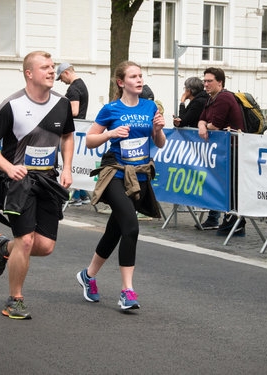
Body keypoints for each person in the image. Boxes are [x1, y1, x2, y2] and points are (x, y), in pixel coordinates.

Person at [0, 51, 75, 319]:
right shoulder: (12, 105)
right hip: (19, 183)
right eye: (44, 67)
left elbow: (67, 136)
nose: (51, 71)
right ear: (29, 73)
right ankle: (15, 299)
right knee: (25, 240)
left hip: (48, 181)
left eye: (52, 66)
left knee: (45, 246)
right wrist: (8, 167)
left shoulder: (62, 103)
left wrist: (67, 167)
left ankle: (3, 248)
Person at [76, 61, 165, 310]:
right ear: (121, 82)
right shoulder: (110, 109)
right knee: (131, 227)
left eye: (140, 76)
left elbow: (160, 143)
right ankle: (127, 290)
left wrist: (158, 130)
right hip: (114, 173)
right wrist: (110, 135)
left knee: (116, 230)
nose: (139, 80)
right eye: (133, 76)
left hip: (139, 177)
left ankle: (88, 276)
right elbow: (90, 140)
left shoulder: (150, 107)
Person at [197, 67, 245, 235]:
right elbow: (202, 118)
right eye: (204, 81)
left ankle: (235, 224)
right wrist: (202, 125)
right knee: (222, 187)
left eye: (209, 81)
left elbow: (216, 124)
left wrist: (204, 126)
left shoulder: (224, 97)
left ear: (220, 82)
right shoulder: (211, 98)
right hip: (222, 149)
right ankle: (223, 221)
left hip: (233, 149)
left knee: (230, 188)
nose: (206, 84)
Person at [56, 62, 91, 205]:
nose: (62, 82)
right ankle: (81, 194)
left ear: (66, 73)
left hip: (73, 129)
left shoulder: (73, 89)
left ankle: (77, 194)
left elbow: (74, 110)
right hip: (79, 128)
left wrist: (58, 113)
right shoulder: (82, 84)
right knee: (75, 160)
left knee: (69, 161)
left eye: (61, 78)